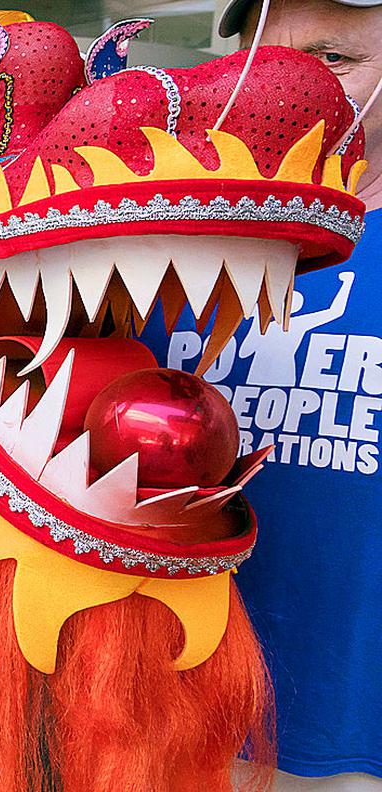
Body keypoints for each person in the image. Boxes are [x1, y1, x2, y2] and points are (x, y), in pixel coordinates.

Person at [147, 1, 382, 788]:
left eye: (333, 59)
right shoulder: (154, 240)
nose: (279, 86)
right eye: (255, 57)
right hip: (166, 724)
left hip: (353, 743)